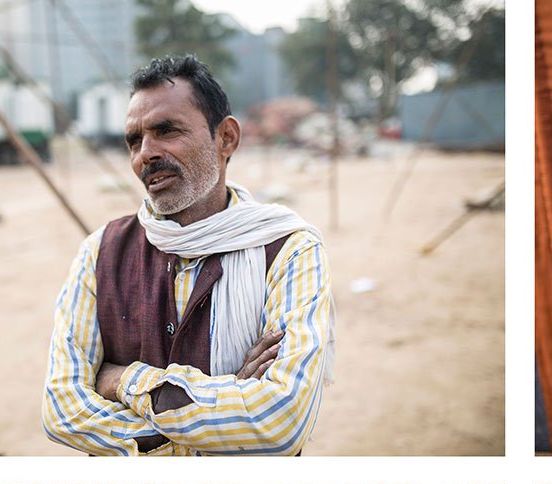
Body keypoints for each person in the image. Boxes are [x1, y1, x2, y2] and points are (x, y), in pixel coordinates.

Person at [43, 54, 335, 456]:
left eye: (167, 130)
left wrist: (124, 380)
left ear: (226, 138)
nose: (146, 153)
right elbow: (62, 411)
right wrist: (223, 408)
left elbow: (280, 421)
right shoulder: (100, 254)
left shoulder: (288, 249)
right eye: (134, 140)